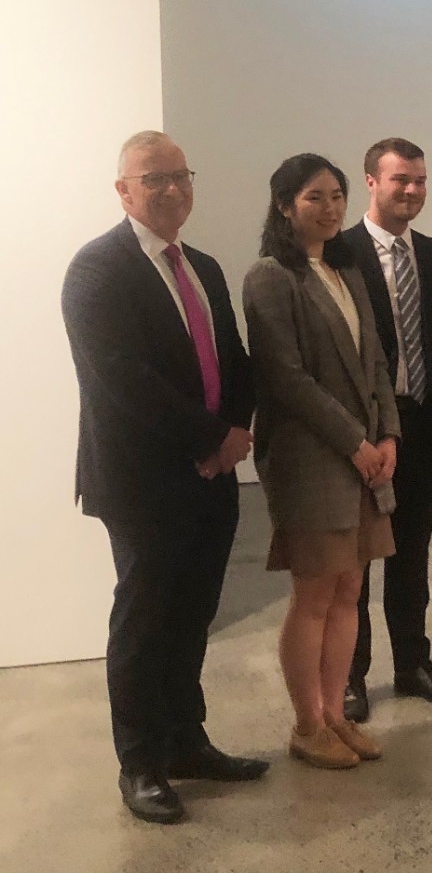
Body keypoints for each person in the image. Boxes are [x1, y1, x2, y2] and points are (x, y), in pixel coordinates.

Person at [62, 131, 265, 824]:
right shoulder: (97, 269)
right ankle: (141, 764)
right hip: (142, 482)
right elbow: (122, 381)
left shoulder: (202, 267)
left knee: (192, 615)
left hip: (211, 474)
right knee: (145, 623)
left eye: (181, 175)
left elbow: (234, 360)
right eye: (154, 179)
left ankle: (186, 742)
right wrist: (212, 439)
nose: (173, 189)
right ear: (124, 191)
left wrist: (234, 432)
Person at [243, 154, 399, 769]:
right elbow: (287, 379)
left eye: (337, 195)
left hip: (365, 456)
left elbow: (376, 361)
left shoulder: (345, 269)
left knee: (350, 588)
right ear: (285, 205)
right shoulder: (270, 277)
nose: (330, 208)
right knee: (313, 593)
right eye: (315, 197)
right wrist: (356, 443)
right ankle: (307, 725)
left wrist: (389, 435)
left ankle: (335, 714)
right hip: (311, 457)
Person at [342, 138, 432, 722]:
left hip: (424, 421)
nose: (412, 190)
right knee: (358, 559)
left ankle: (413, 663)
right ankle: (350, 676)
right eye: (400, 180)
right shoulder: (339, 253)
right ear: (371, 181)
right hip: (365, 429)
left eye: (419, 180)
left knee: (411, 553)